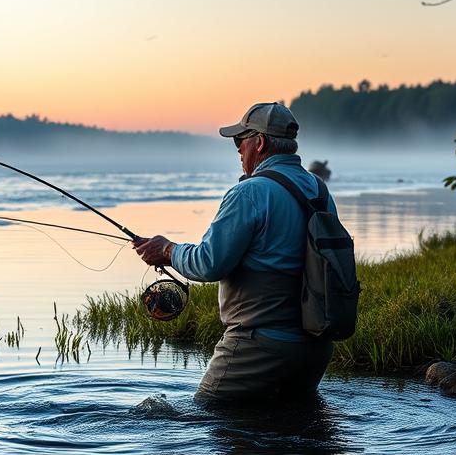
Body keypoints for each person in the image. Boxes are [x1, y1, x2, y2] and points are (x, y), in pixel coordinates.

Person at [133, 102, 339, 408]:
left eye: (240, 140)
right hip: (316, 347)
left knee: (206, 416)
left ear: (261, 142)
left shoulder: (249, 193)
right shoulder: (318, 191)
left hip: (257, 347)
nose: (238, 150)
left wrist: (167, 250)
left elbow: (209, 263)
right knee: (293, 430)